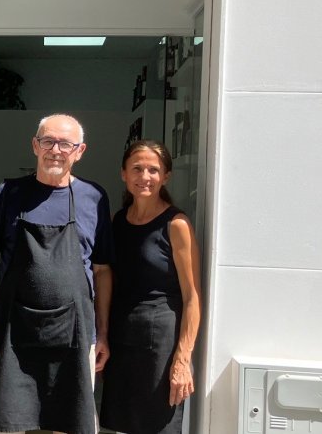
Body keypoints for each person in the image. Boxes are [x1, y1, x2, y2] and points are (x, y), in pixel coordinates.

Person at [0, 114, 113, 434]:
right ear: (35, 146)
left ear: (80, 151)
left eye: (66, 143)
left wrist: (102, 333)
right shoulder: (8, 194)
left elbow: (102, 271)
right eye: (48, 141)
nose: (56, 150)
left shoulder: (94, 198)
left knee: (70, 423)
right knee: (7, 423)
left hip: (75, 334)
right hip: (12, 332)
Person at [99, 140, 201, 434]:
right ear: (123, 174)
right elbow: (110, 281)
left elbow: (192, 298)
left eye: (153, 170)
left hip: (160, 343)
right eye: (137, 168)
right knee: (121, 425)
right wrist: (104, 334)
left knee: (156, 425)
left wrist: (183, 359)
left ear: (166, 176)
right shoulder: (119, 221)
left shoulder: (176, 224)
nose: (145, 177)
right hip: (122, 339)